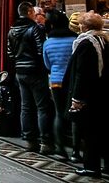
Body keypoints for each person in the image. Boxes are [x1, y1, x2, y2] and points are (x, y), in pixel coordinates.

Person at [65, 11, 109, 177]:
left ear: (84, 26)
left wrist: (77, 98)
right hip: (102, 93)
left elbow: (81, 73)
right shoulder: (104, 40)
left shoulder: (85, 43)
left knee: (90, 133)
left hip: (89, 95)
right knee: (103, 131)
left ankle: (91, 166)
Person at [8, 1, 55, 154]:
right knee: (42, 107)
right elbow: (41, 50)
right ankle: (45, 142)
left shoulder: (12, 30)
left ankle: (29, 140)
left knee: (26, 106)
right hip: (35, 71)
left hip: (20, 71)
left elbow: (10, 53)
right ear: (29, 12)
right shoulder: (34, 29)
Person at [43, 10, 77, 161]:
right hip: (72, 81)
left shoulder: (48, 42)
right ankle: (76, 151)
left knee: (59, 113)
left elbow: (47, 64)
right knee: (75, 114)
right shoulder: (74, 40)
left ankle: (60, 149)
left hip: (56, 81)